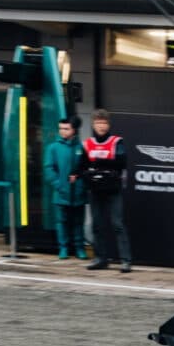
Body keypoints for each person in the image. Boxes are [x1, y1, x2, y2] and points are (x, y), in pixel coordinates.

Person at [78, 109, 132, 272]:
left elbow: (121, 162)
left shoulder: (117, 142)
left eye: (104, 123)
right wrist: (90, 173)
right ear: (93, 125)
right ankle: (100, 259)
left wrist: (98, 163)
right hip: (95, 190)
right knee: (97, 225)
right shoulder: (87, 144)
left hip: (113, 189)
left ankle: (125, 261)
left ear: (108, 125)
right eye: (98, 123)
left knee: (117, 224)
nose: (101, 126)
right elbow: (82, 166)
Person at [43, 118, 88, 260]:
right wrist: (59, 185)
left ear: (73, 130)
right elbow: (49, 169)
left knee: (78, 222)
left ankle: (79, 248)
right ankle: (63, 248)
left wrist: (81, 185)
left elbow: (85, 168)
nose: (62, 131)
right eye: (61, 128)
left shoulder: (81, 147)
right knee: (61, 222)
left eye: (66, 128)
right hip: (61, 193)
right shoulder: (53, 148)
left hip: (78, 193)